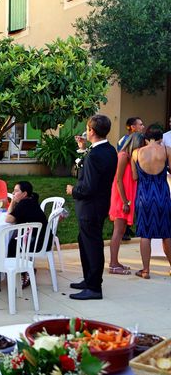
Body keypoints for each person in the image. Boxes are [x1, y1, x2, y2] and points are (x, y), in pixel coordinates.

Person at [66, 114, 117, 300]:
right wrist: (82, 150)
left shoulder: (95, 155)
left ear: (92, 131)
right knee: (85, 242)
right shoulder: (109, 150)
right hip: (100, 204)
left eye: (87, 129)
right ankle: (89, 280)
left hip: (90, 206)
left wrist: (73, 190)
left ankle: (94, 287)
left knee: (92, 245)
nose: (85, 132)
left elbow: (88, 187)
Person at [131, 127, 171, 279]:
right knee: (166, 233)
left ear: (146, 138)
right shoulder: (166, 150)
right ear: (160, 138)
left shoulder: (136, 153)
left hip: (144, 196)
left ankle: (146, 270)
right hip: (162, 195)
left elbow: (135, 177)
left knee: (145, 234)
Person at [108, 132, 144, 274]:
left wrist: (134, 161)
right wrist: (125, 201)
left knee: (122, 230)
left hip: (127, 196)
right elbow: (118, 180)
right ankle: (113, 264)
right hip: (121, 197)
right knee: (117, 231)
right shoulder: (123, 156)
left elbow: (134, 177)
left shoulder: (131, 158)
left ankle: (116, 261)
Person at [6, 181, 49, 289]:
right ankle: (23, 270)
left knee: (11, 244)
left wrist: (12, 202)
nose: (13, 193)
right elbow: (11, 216)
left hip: (37, 242)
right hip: (43, 238)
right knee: (12, 240)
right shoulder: (31, 200)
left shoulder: (24, 204)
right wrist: (13, 201)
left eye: (16, 191)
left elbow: (8, 219)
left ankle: (23, 272)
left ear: (24, 194)